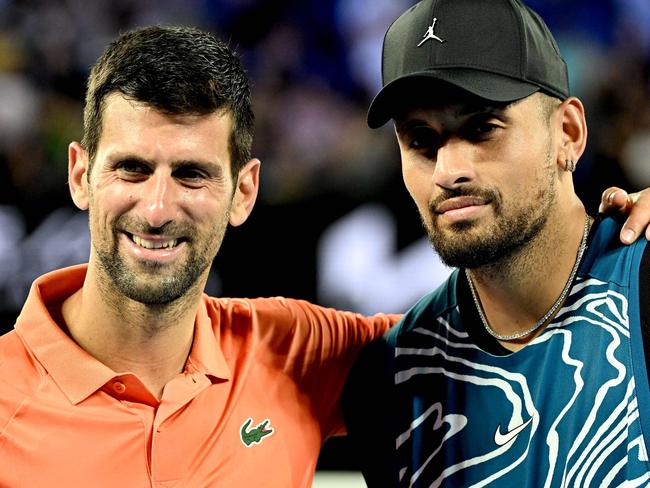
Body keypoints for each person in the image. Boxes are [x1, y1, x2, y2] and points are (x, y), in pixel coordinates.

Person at [0, 20, 645, 488]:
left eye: (193, 175)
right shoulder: (7, 392)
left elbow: (503, 331)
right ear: (80, 174)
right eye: (132, 169)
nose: (159, 208)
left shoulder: (299, 351)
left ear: (244, 191)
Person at [342, 0, 650, 486]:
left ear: (567, 133)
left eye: (483, 127)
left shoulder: (640, 284)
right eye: (421, 140)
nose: (447, 171)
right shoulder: (391, 377)